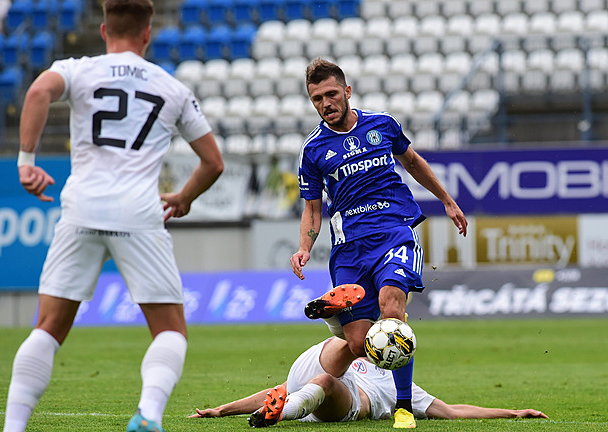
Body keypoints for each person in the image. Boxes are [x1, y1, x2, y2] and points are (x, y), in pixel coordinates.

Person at [5, 1, 224, 431]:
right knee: (170, 331)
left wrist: (26, 161)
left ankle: (13, 427)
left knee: (48, 328)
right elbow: (213, 162)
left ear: (105, 30)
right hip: (140, 213)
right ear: (148, 34)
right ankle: (148, 416)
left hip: (81, 207)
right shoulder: (171, 87)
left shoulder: (77, 69)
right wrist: (182, 197)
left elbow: (36, 93)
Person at [289, 58, 468, 429]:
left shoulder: (382, 124)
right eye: (317, 98)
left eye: (331, 94)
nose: (326, 103)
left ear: (347, 92)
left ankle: (403, 407)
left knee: (392, 309)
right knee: (359, 345)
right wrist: (305, 247)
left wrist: (447, 201)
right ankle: (337, 324)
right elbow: (312, 208)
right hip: (349, 249)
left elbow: (414, 162)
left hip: (393, 233)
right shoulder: (313, 150)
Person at [189, 337, 548, 426]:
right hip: (316, 385)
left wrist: (513, 413)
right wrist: (221, 411)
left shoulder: (401, 385)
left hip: (352, 404)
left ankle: (281, 415)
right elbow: (273, 393)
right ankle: (337, 323)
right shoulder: (354, 354)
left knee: (326, 381)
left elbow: (452, 412)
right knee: (316, 376)